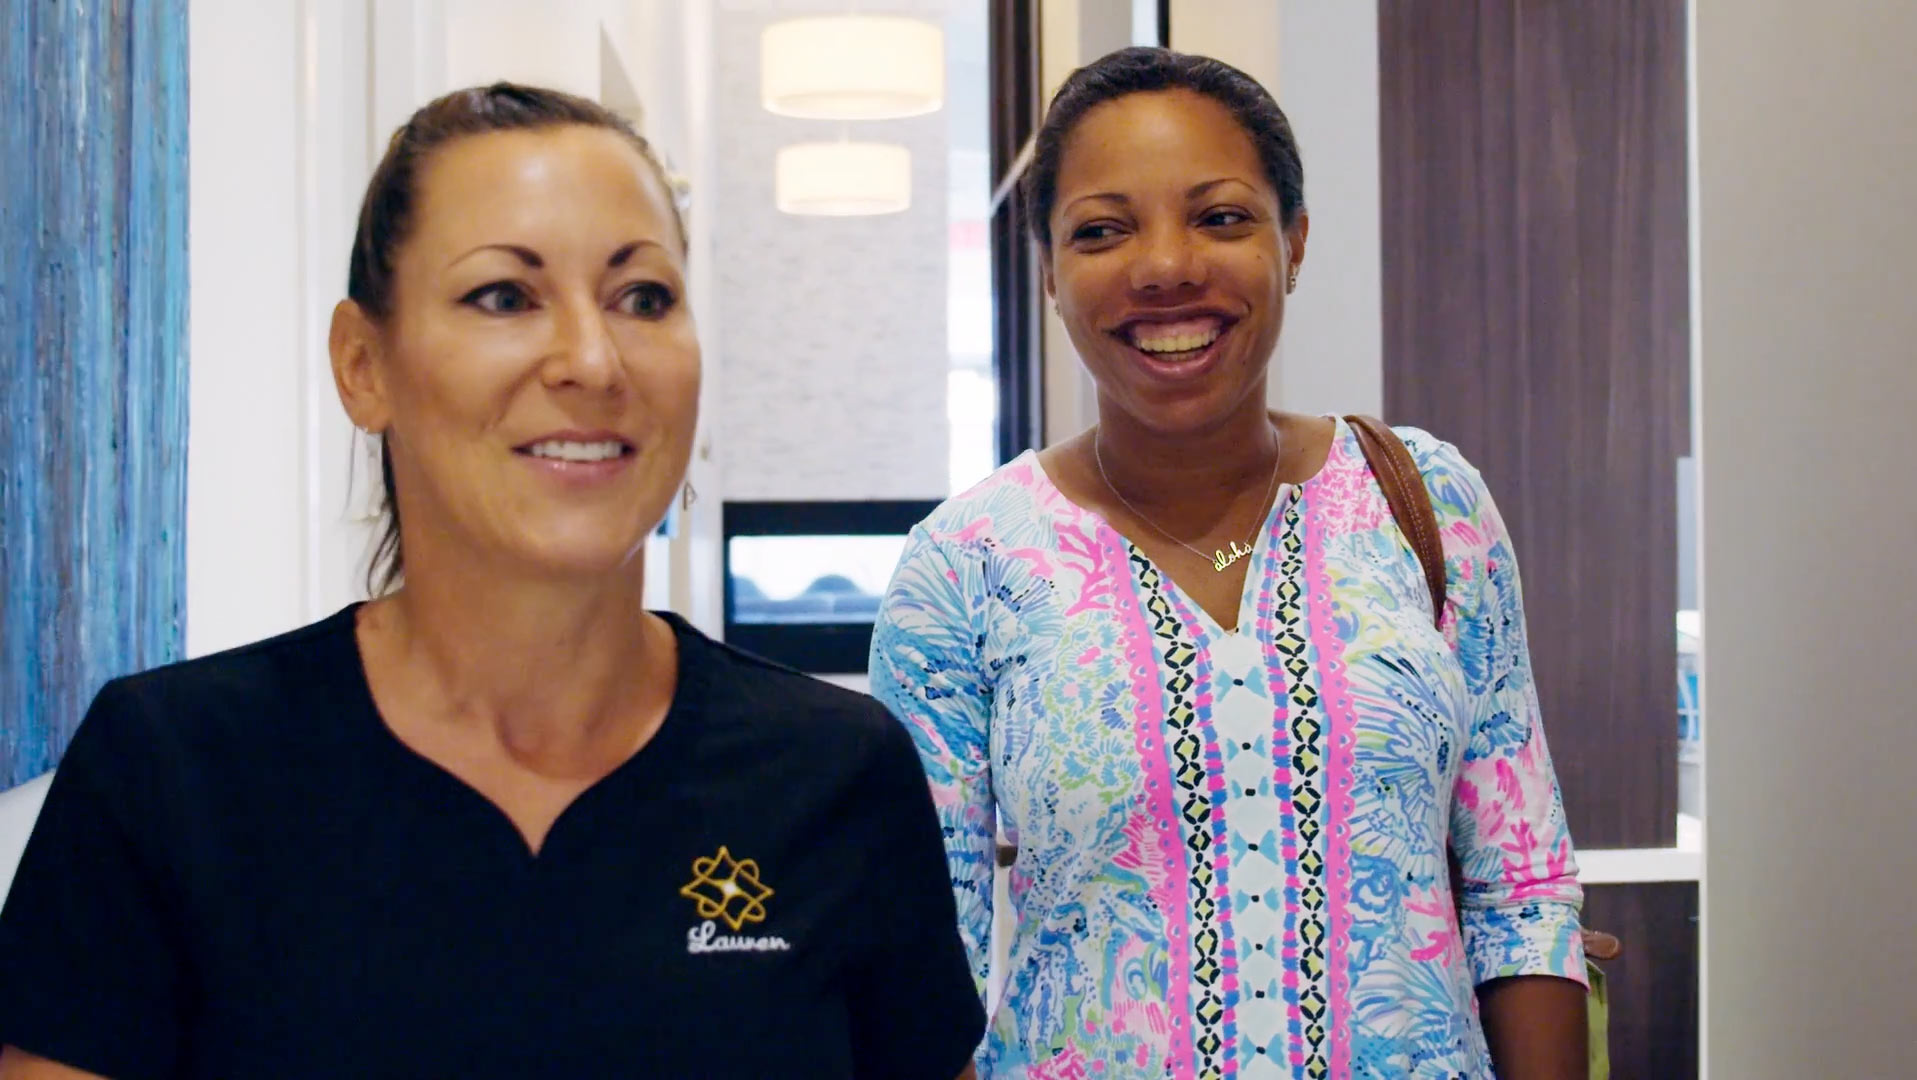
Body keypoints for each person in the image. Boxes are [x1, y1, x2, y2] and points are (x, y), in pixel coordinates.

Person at [0, 83, 983, 1080]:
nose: (594, 361)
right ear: (362, 363)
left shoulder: (834, 775)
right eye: (504, 297)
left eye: (642, 297)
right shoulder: (172, 774)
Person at [870, 47, 1586, 1079]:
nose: (1165, 266)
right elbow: (926, 965)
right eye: (1103, 230)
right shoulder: (965, 567)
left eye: (1219, 217)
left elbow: (1521, 887)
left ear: (1293, 241)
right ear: (1049, 272)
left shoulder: (1426, 500)